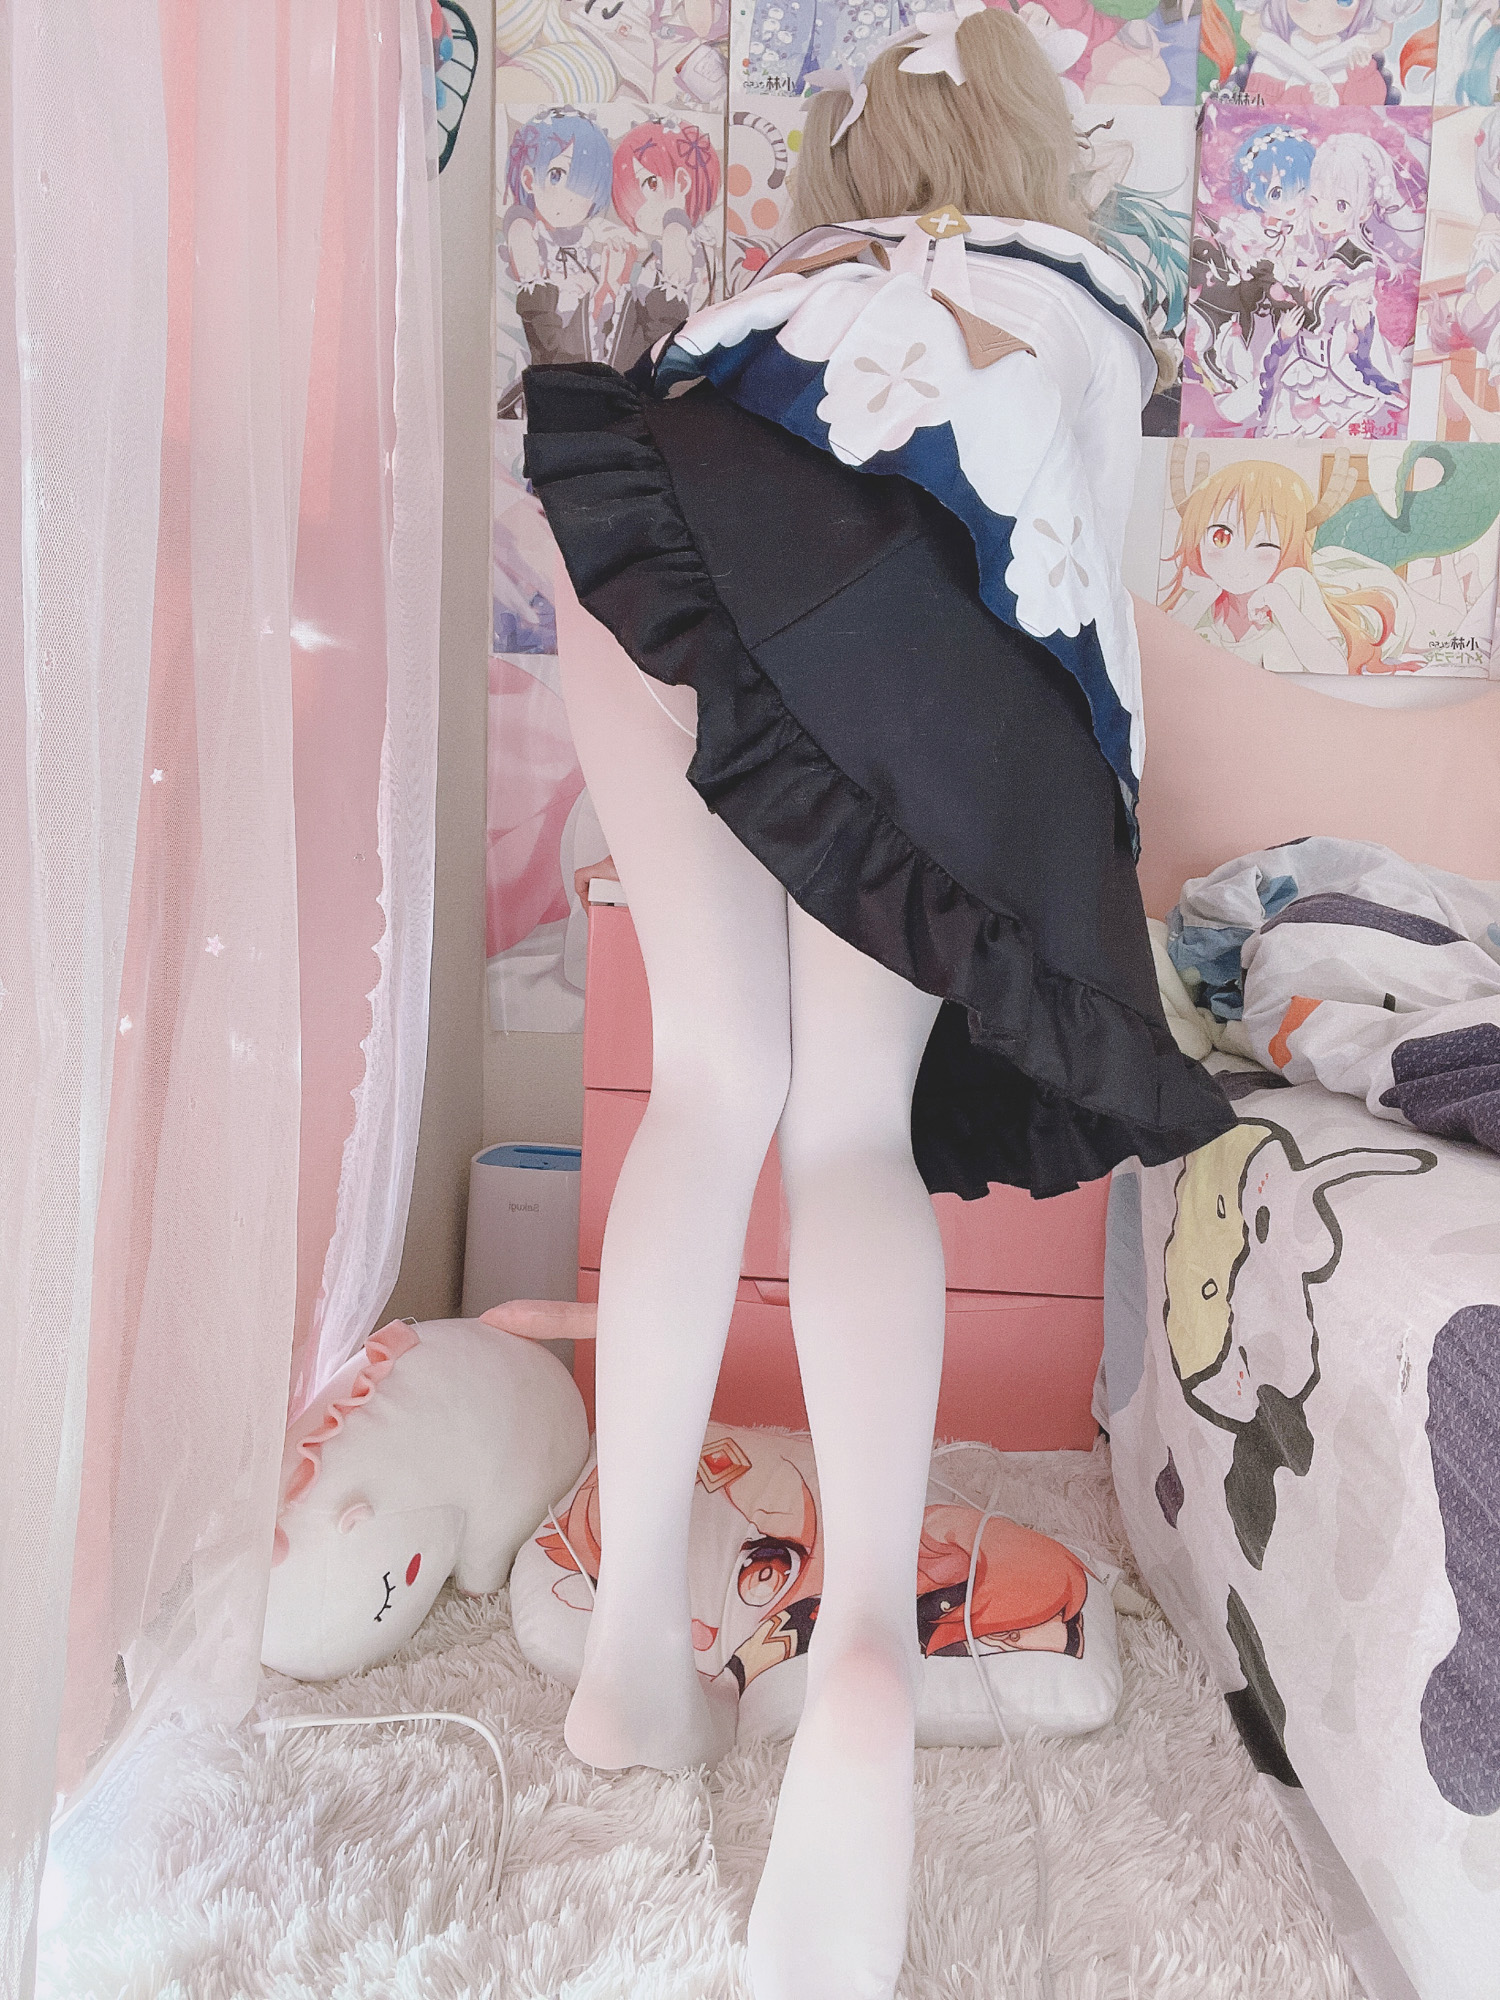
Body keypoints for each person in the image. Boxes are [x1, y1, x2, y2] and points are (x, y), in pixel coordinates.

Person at [522, 7, 1236, 1995]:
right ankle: (857, 1663)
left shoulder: (790, 287)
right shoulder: (1080, 309)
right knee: (846, 1127)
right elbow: (1079, 623)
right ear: (1025, 152)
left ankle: (626, 1662)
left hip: (642, 521)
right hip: (889, 605)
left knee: (707, 1078)